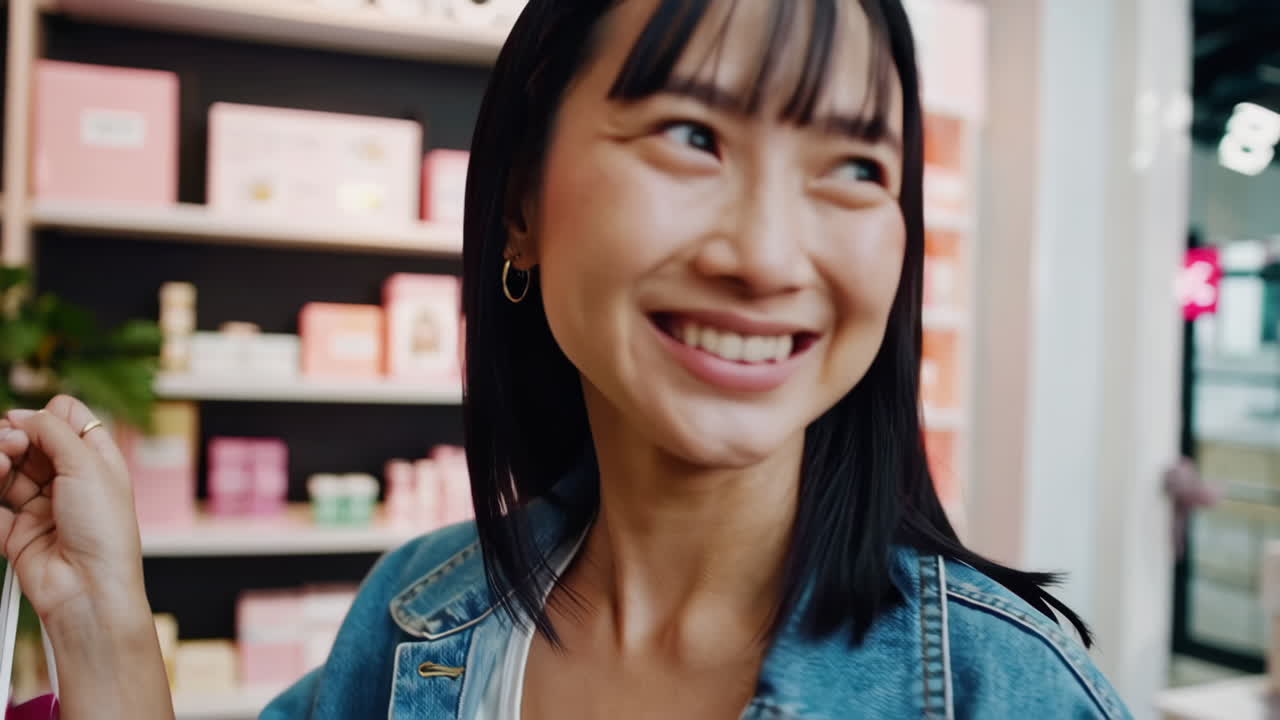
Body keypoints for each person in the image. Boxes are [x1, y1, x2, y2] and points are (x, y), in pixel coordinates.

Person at [0, 0, 1133, 717]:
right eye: (692, 136)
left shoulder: (1005, 691)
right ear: (519, 208)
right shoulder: (415, 623)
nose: (769, 256)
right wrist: (99, 619)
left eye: (853, 167)